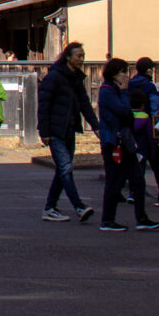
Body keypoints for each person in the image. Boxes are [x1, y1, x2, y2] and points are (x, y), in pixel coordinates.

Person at [95, 57, 159, 231]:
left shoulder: (116, 91)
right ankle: (107, 220)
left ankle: (142, 217)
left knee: (138, 180)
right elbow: (125, 111)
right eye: (122, 72)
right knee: (114, 181)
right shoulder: (108, 91)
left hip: (126, 141)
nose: (125, 76)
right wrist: (124, 92)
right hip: (114, 142)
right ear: (113, 74)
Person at [36, 42, 96, 222]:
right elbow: (43, 105)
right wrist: (44, 131)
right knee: (66, 168)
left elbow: (84, 103)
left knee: (63, 170)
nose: (81, 59)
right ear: (68, 57)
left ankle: (50, 207)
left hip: (69, 129)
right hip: (55, 130)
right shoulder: (54, 77)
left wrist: (96, 126)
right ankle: (79, 206)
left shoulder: (76, 78)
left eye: (83, 56)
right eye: (78, 56)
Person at [130, 57, 159, 208]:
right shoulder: (151, 86)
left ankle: (133, 192)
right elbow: (156, 107)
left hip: (132, 124)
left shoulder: (129, 84)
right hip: (148, 125)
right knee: (158, 163)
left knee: (137, 160)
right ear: (149, 70)